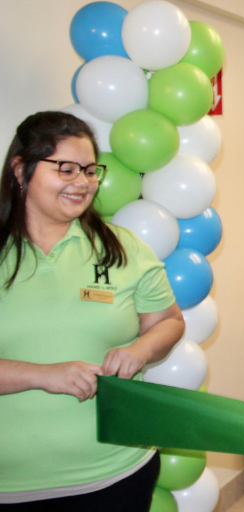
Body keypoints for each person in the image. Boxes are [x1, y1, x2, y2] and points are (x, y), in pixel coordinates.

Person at [0, 111, 185, 510]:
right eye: (66, 169)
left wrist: (140, 350)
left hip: (119, 471)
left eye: (89, 170)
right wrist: (42, 375)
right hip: (13, 483)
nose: (82, 183)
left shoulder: (123, 247)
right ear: (20, 170)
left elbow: (169, 322)